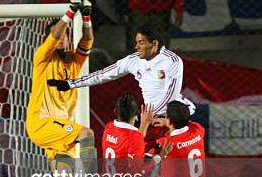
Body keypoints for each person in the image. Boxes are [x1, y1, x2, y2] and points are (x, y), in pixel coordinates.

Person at [25, 0, 96, 177]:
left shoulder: (74, 63)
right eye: (63, 36)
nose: (66, 39)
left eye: (68, 36)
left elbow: (87, 42)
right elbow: (55, 35)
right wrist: (68, 15)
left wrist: (85, 17)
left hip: (58, 132)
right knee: (86, 132)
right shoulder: (43, 58)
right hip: (42, 123)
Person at [50, 24, 195, 150]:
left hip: (175, 120)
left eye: (141, 43)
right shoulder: (133, 60)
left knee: (174, 162)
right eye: (136, 42)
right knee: (140, 158)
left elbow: (171, 94)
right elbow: (103, 74)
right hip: (151, 119)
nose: (136, 47)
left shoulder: (172, 61)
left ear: (154, 43)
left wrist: (154, 118)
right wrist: (71, 83)